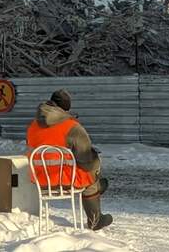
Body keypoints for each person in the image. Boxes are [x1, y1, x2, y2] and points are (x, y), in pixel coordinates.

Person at [26, 89, 112, 231]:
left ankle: (97, 188)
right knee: (91, 169)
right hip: (64, 181)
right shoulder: (72, 127)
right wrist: (96, 161)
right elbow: (86, 159)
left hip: (40, 179)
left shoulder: (33, 126)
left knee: (88, 170)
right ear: (66, 108)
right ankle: (95, 219)